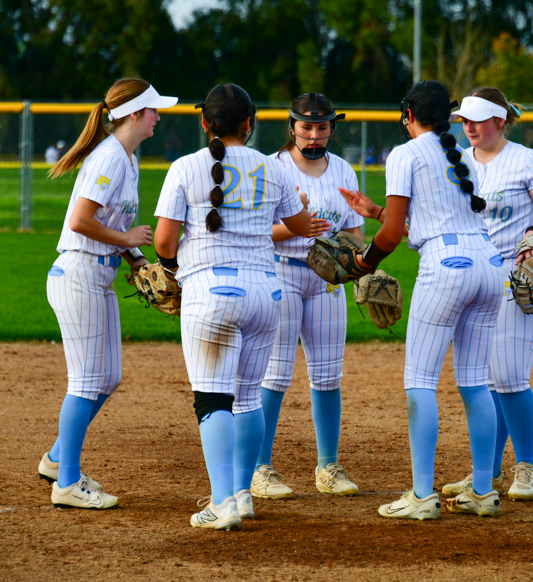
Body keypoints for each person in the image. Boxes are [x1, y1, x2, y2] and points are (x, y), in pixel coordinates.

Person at [339, 80, 504, 520]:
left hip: (446, 267)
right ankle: (483, 491)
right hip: (489, 265)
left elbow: (393, 234)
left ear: (408, 114)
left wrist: (364, 262)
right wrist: (375, 213)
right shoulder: (462, 157)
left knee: (421, 381)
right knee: (475, 382)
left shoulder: (404, 153)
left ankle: (421, 495)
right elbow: (425, 218)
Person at [154, 83, 312, 530]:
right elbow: (300, 226)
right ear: (249, 123)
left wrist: (172, 269)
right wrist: (299, 204)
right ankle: (242, 496)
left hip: (210, 292)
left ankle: (222, 502)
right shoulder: (272, 167)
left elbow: (164, 242)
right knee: (247, 398)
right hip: (265, 293)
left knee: (212, 398)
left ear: (205, 123)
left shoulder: (185, 166)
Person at [40, 77, 177, 509]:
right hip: (79, 273)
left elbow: (111, 226)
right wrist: (127, 239)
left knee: (109, 377)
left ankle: (58, 458)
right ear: (134, 114)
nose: (158, 118)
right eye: (153, 110)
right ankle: (67, 483)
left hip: (99, 275)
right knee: (85, 382)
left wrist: (135, 258)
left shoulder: (127, 159)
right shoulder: (110, 158)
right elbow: (80, 221)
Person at [436, 87, 533, 502]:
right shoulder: (456, 162)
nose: (469, 126)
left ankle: (527, 466)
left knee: (510, 375)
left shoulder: (527, 161)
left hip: (521, 282)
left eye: (478, 119)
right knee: (486, 380)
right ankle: (487, 471)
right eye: (465, 119)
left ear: (500, 120)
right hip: (476, 281)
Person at [251, 93, 365, 501]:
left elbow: (354, 232)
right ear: (292, 127)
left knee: (328, 375)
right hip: (281, 271)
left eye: (321, 127)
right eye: (306, 127)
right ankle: (259, 468)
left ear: (332, 128)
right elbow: (255, 230)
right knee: (275, 375)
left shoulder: (344, 170)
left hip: (327, 279)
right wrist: (295, 229)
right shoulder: (271, 167)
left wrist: (360, 264)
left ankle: (328, 467)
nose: (314, 135)